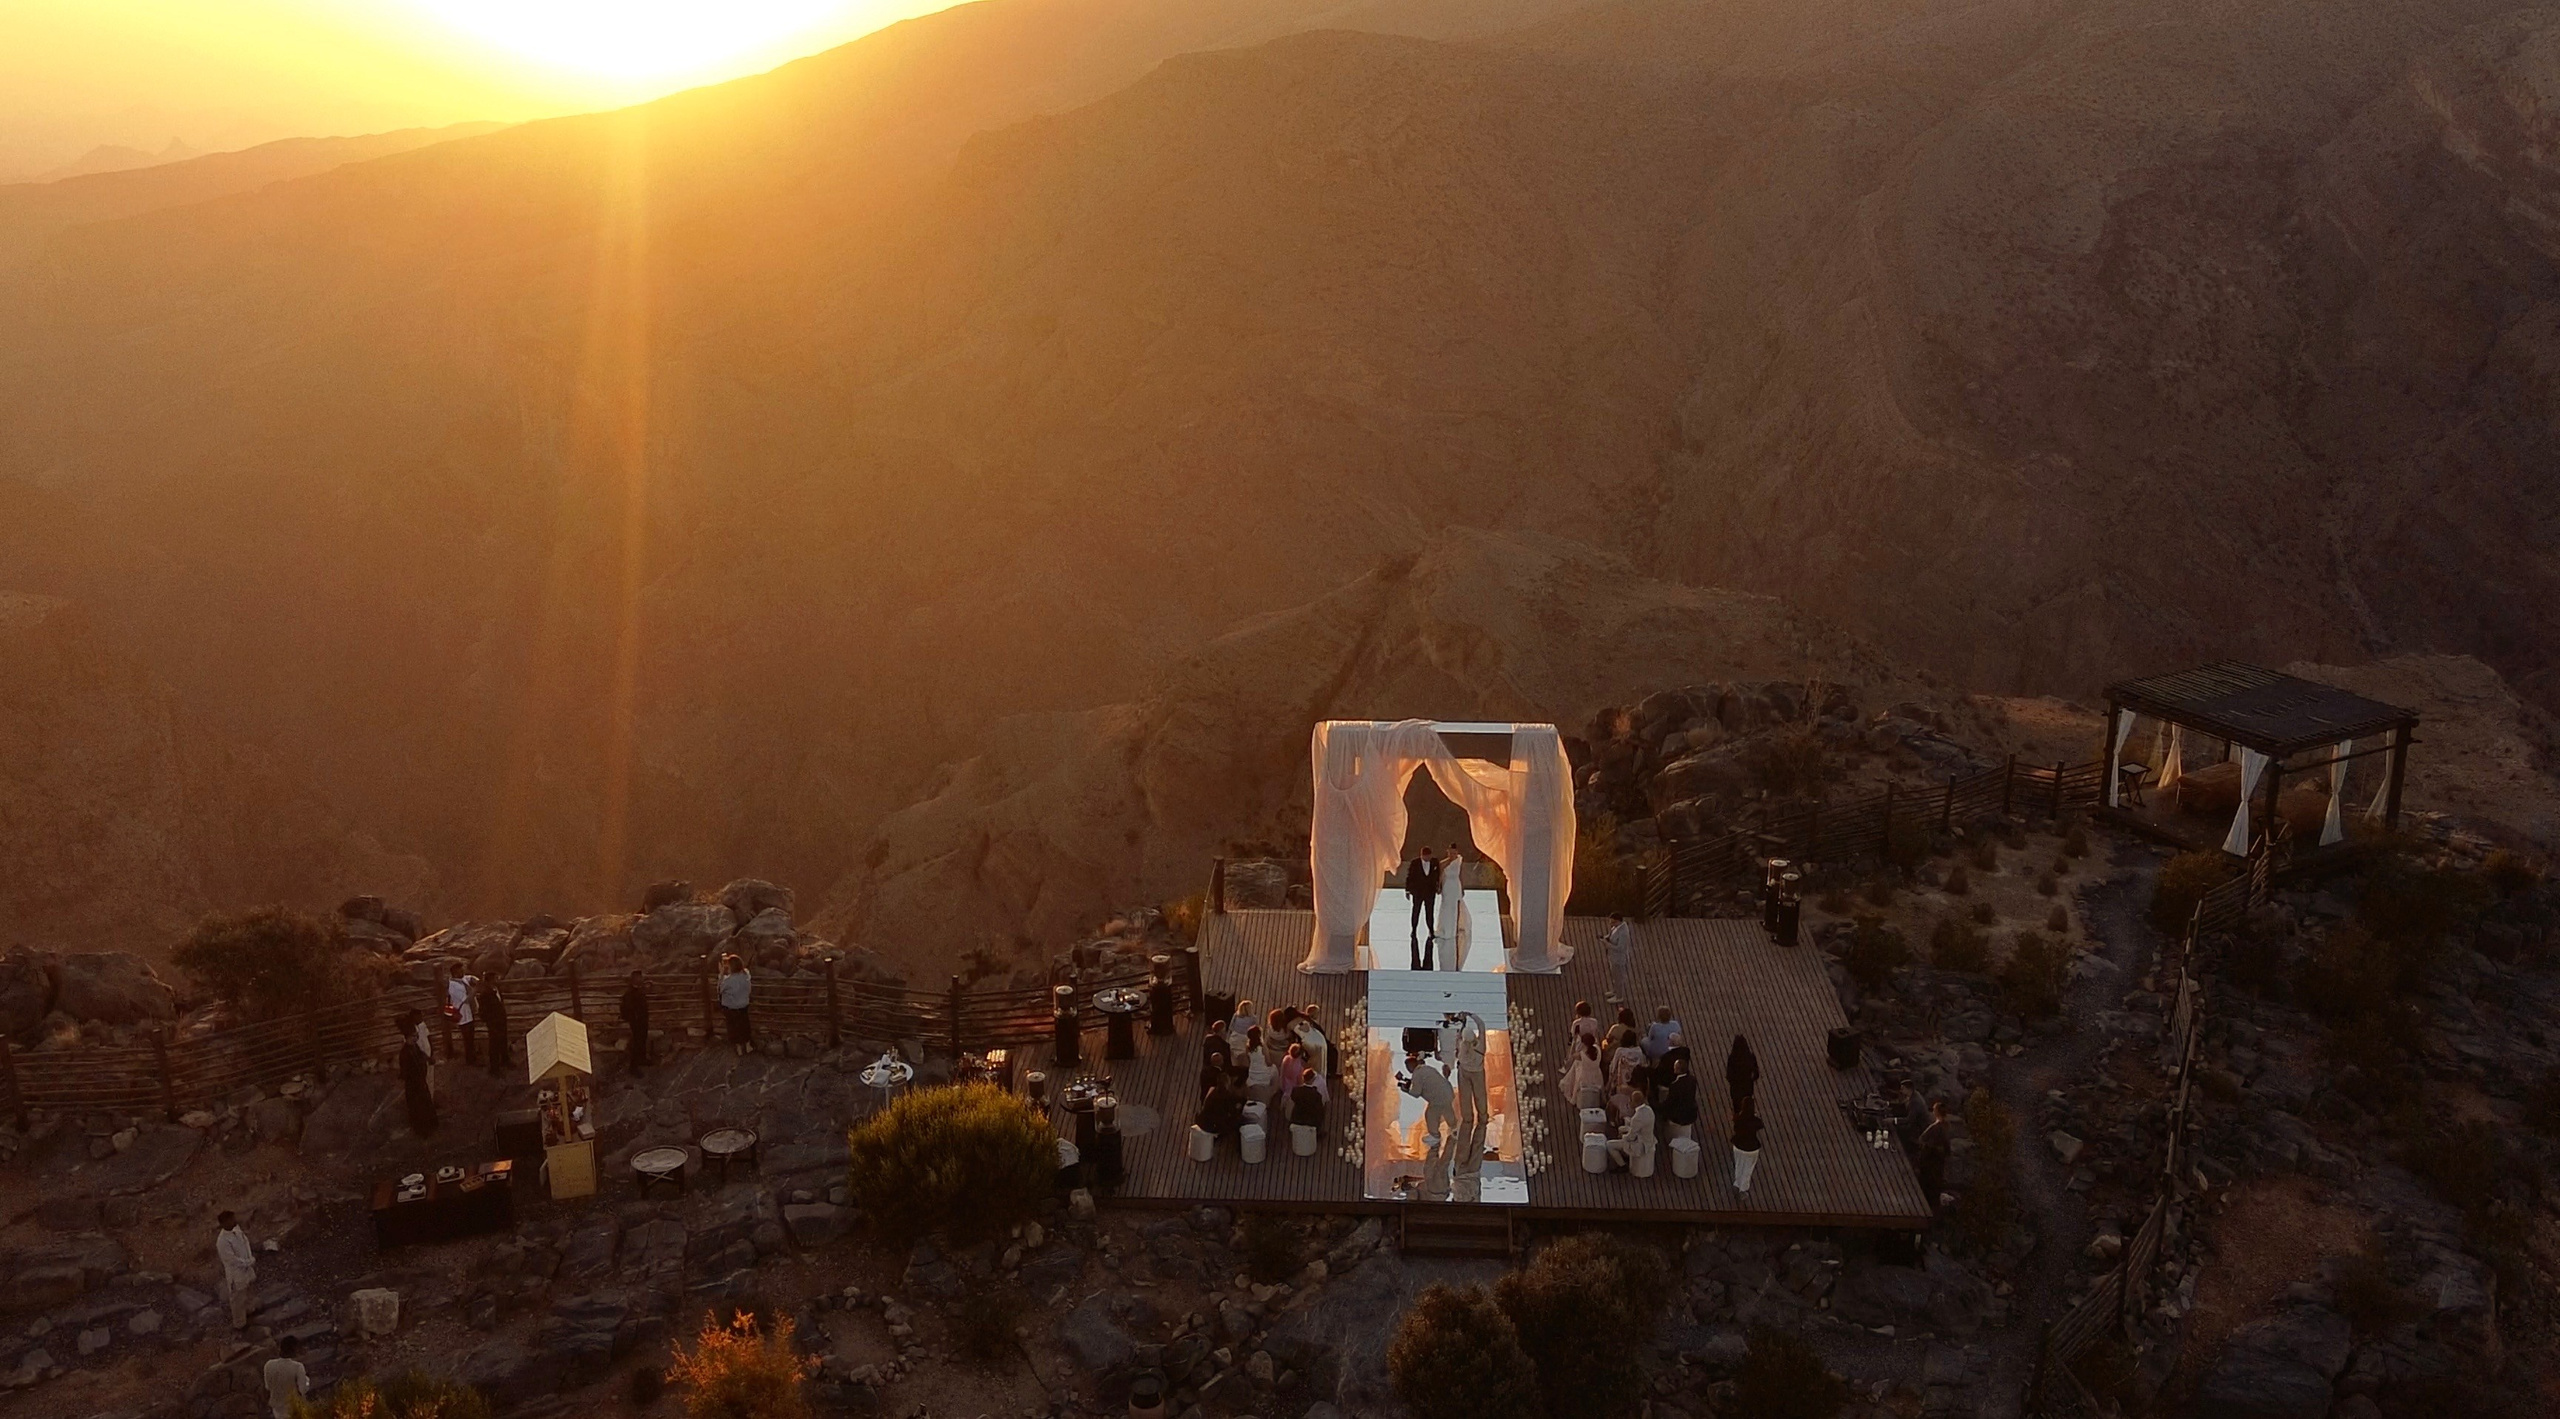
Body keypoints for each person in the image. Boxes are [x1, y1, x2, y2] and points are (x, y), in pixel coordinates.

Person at [1399, 1051, 1457, 1153]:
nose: (1408, 1069)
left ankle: (1434, 1135)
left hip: (1437, 1099)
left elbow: (1416, 1092)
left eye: (1408, 1066)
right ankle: (1454, 1128)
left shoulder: (1417, 1073)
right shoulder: (1427, 1068)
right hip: (1447, 1092)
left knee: (1430, 1114)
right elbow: (1423, 1083)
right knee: (1447, 1110)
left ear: (1412, 1065)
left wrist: (1406, 1090)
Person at [396, 1011, 437, 1136]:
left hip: (419, 1082)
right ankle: (422, 1130)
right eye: (414, 1036)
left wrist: (428, 1059)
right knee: (418, 1107)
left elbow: (421, 1055)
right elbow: (406, 1073)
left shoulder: (414, 1048)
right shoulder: (405, 1054)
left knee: (424, 1104)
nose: (416, 1038)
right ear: (408, 1036)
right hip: (414, 1085)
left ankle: (429, 1125)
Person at [1448, 1011, 1489, 1136]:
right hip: (1478, 1073)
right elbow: (1481, 1026)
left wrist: (1463, 1021)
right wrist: (1471, 1015)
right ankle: (1483, 1117)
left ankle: (1467, 1119)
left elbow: (1459, 1041)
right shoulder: (1480, 1045)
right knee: (1480, 1096)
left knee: (1465, 1096)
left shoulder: (1463, 1049)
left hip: (1464, 1073)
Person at [216, 1210, 257, 1329]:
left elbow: (246, 1243)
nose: (233, 1221)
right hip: (236, 1273)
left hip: (247, 1267)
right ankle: (240, 1324)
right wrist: (248, 1262)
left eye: (233, 1218)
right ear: (223, 1223)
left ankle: (250, 1311)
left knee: (249, 1290)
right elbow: (232, 1260)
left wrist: (249, 1258)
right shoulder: (222, 1241)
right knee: (237, 1299)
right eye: (230, 1220)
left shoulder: (237, 1230)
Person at [1404, 847, 1440, 968]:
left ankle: (1431, 930)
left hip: (1430, 892)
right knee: (1416, 911)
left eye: (1428, 856)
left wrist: (1437, 887)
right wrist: (1408, 890)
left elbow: (1438, 875)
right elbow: (1409, 877)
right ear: (1421, 855)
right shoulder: (1414, 863)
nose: (1427, 858)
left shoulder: (1435, 862)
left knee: (1430, 912)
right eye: (1425, 856)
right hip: (1418, 892)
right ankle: (1413, 930)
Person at [1917, 1099, 1954, 1213]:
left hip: (1930, 1160)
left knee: (1927, 1184)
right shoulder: (1947, 1126)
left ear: (1936, 1112)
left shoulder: (1935, 1127)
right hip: (1939, 1161)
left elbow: (1922, 1139)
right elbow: (1947, 1146)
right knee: (1935, 1186)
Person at [262, 1335, 310, 1419]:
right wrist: (307, 1380)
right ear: (294, 1350)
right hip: (292, 1408)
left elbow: (268, 1387)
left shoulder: (268, 1365)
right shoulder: (297, 1367)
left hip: (277, 1408)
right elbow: (303, 1389)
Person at [1437, 842, 1468, 969]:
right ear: (1447, 852)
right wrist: (1438, 886)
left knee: (1455, 907)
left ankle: (1454, 928)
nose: (1453, 855)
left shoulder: (1459, 861)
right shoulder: (1443, 863)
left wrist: (1463, 887)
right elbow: (1440, 876)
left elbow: (1461, 875)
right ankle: (1445, 929)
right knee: (1446, 907)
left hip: (1455, 885)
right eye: (1451, 853)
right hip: (1447, 886)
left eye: (1454, 853)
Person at [1609, 1096, 1657, 1173]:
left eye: (1631, 1100)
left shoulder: (1637, 1117)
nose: (1629, 1102)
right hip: (1648, 1138)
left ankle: (1622, 1165)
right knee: (1621, 1129)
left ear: (1635, 1103)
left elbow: (1631, 1137)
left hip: (1640, 1144)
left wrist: (1623, 1137)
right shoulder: (1649, 1110)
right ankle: (1625, 1154)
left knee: (1609, 1145)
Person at [718, 953, 753, 1055]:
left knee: (733, 1027)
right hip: (743, 1006)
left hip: (731, 1007)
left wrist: (721, 974)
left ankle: (738, 1047)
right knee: (745, 1025)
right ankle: (747, 1045)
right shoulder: (746, 975)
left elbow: (720, 989)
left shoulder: (728, 981)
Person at [1560, 1037, 1605, 1110]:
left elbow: (1573, 1056)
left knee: (1576, 1064)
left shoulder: (1582, 1055)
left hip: (1585, 1076)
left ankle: (1575, 1098)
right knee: (1577, 1064)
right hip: (1597, 1074)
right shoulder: (1598, 1049)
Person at [478, 974, 511, 1074]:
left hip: (501, 1021)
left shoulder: (497, 989)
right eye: (495, 978)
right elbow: (482, 1012)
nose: (498, 979)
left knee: (503, 1040)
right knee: (494, 1045)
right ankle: (494, 1068)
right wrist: (490, 1022)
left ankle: (505, 1060)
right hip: (493, 1023)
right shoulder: (485, 994)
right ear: (490, 980)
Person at [1661, 1056, 1700, 1140]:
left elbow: (1670, 1102)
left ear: (1678, 1070)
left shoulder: (1675, 1086)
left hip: (1679, 1116)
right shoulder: (1692, 1080)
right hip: (1690, 1113)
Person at [621, 970, 652, 1073]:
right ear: (634, 979)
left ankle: (642, 1059)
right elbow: (628, 1008)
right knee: (636, 1043)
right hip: (636, 1022)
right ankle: (633, 1067)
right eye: (639, 977)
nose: (641, 979)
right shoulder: (630, 993)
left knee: (642, 1039)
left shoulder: (639, 990)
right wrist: (634, 1019)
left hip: (642, 1020)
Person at [1725, 1034, 1761, 1119]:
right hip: (1747, 1089)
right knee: (1747, 1107)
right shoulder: (1751, 1057)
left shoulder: (1732, 1058)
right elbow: (1756, 1073)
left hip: (1736, 1090)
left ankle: (1738, 1124)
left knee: (1737, 1109)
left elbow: (1729, 1075)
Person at [447, 970, 479, 1066]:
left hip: (468, 1014)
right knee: (468, 1039)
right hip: (463, 1016)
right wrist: (476, 989)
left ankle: (473, 1057)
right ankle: (470, 1060)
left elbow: (470, 978)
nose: (463, 972)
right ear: (455, 973)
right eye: (461, 970)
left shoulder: (461, 979)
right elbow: (466, 1000)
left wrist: (475, 979)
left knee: (471, 1038)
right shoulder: (453, 986)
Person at [1731, 1103, 1764, 1193]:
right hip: (1752, 1148)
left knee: (1739, 1165)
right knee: (1748, 1168)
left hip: (1738, 1146)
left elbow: (1735, 1128)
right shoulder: (1754, 1121)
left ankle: (1737, 1183)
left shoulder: (1738, 1119)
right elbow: (1761, 1124)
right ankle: (1743, 1188)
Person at [1604, 912, 1634, 1002]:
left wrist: (1607, 944)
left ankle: (1619, 997)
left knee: (1618, 978)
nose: (1611, 924)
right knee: (1614, 976)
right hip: (1613, 957)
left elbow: (1620, 948)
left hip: (1619, 959)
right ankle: (1615, 991)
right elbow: (1611, 935)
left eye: (1613, 922)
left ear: (1618, 921)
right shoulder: (1616, 927)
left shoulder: (1623, 933)